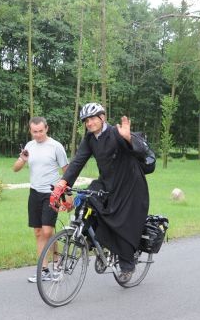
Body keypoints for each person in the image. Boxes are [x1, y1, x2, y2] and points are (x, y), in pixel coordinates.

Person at [51, 102, 149, 283]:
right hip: (107, 182)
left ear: (102, 117)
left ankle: (127, 265)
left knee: (123, 222)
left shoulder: (116, 133)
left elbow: (142, 150)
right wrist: (62, 184)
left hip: (130, 185)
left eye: (92, 119)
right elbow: (77, 162)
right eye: (85, 121)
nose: (88, 123)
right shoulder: (90, 139)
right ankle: (98, 243)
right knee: (86, 200)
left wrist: (129, 139)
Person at [13, 116, 69, 283]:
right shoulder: (29, 146)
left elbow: (67, 170)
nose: (37, 135)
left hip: (52, 193)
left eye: (40, 131)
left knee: (47, 231)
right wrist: (22, 159)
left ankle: (58, 262)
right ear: (30, 130)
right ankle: (44, 270)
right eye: (34, 131)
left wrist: (69, 194)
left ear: (47, 129)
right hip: (35, 193)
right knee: (39, 232)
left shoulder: (56, 147)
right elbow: (15, 168)